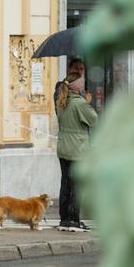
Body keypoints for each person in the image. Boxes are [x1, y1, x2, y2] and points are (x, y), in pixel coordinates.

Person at [55, 70, 97, 231]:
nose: (84, 83)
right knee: (77, 185)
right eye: (82, 81)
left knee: (65, 183)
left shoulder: (61, 101)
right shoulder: (79, 103)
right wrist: (87, 102)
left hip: (63, 147)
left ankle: (64, 219)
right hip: (77, 148)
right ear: (76, 86)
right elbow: (93, 120)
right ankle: (74, 219)